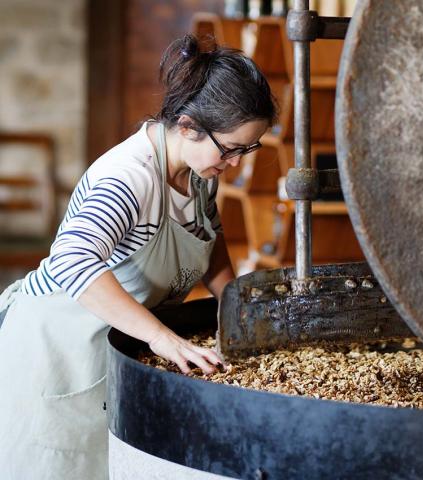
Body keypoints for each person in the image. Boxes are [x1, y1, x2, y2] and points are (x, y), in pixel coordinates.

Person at [0, 34, 276, 479]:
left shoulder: (200, 171)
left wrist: (239, 308)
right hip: (55, 353)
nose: (237, 164)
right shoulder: (129, 178)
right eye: (231, 149)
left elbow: (209, 235)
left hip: (110, 347)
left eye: (249, 149)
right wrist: (163, 338)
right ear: (187, 126)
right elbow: (74, 259)